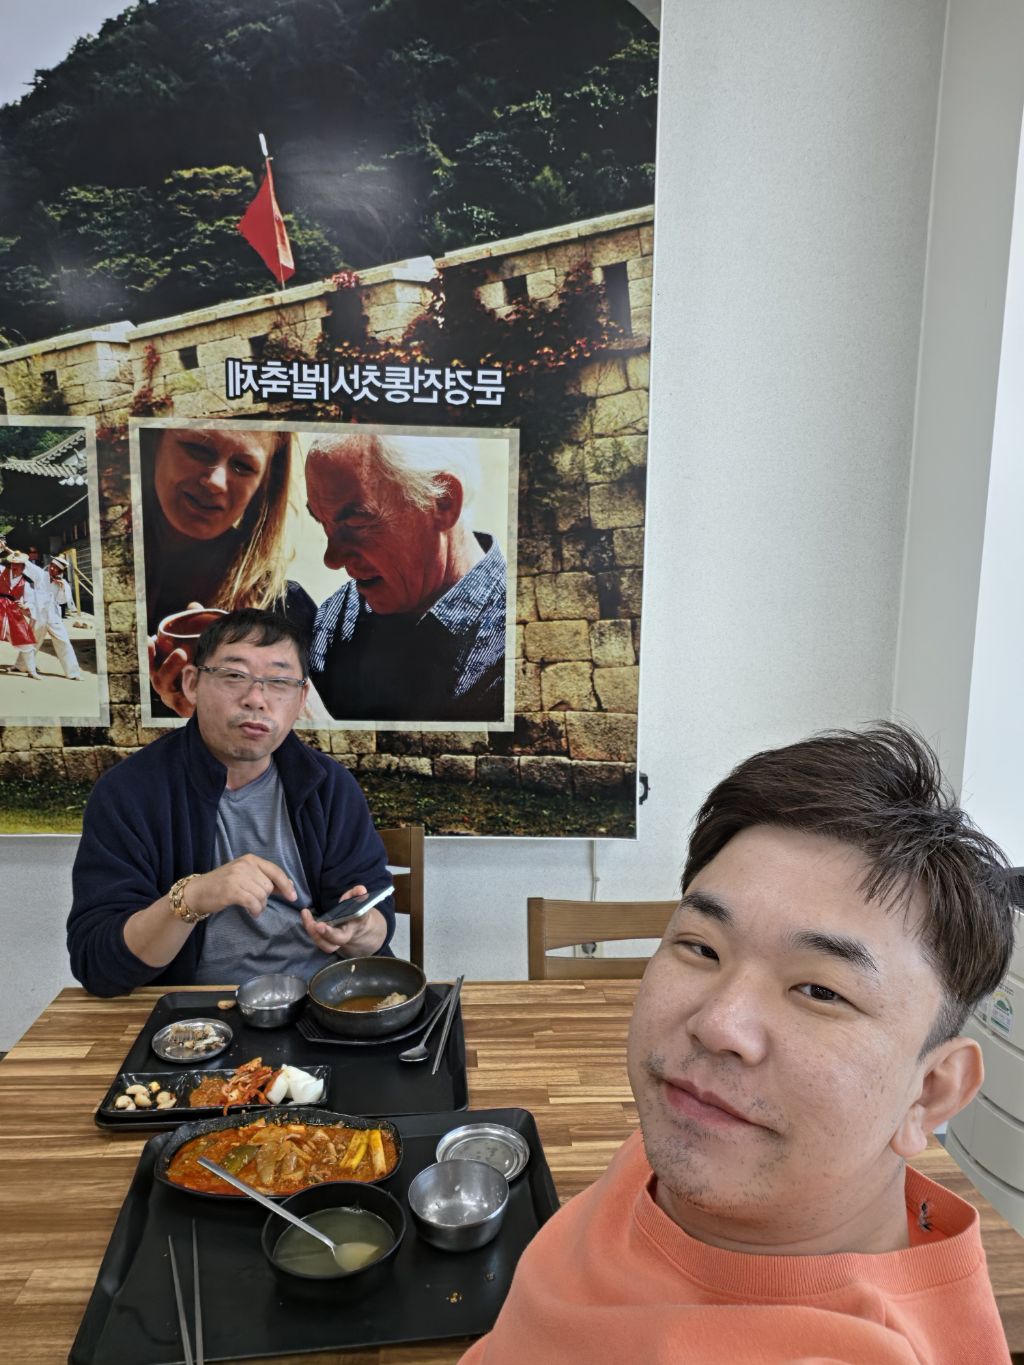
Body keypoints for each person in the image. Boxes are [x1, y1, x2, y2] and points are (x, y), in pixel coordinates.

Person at [462, 725, 1016, 1365]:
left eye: (820, 990)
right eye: (701, 947)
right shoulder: (702, 1126)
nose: (718, 1024)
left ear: (931, 1092)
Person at [67, 609, 394, 997]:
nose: (256, 699)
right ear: (192, 684)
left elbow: (375, 927)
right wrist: (193, 897)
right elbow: (99, 965)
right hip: (192, 1013)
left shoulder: (329, 787)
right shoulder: (130, 793)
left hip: (321, 1001)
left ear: (301, 698)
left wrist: (359, 930)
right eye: (234, 676)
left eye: (279, 682)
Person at [305, 432, 507, 721]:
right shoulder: (337, 614)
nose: (332, 559)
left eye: (356, 522)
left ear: (443, 501)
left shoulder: (517, 648)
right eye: (323, 524)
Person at [140, 424, 316, 717]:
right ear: (154, 443)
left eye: (243, 466)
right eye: (197, 448)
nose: (216, 482)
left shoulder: (287, 608)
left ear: (264, 482)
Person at [26, 553, 81, 680]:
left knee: (64, 641)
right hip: (39, 613)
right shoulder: (40, 574)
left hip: (53, 616)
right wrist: (6, 549)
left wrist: (61, 588)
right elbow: (26, 563)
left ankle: (73, 672)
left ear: (61, 571)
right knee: (32, 641)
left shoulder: (64, 583)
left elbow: (62, 601)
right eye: (52, 566)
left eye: (56, 568)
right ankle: (23, 665)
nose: (52, 569)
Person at [0, 550, 39, 677]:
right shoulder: (2, 571)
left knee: (25, 640)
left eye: (18, 564)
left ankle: (32, 671)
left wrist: (25, 605)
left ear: (23, 566)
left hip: (12, 610)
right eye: (13, 563)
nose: (14, 566)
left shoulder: (25, 583)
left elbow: (30, 600)